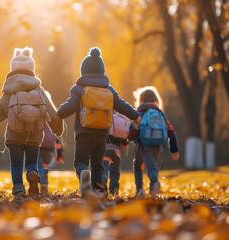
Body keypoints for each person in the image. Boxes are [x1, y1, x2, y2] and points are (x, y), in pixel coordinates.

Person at [57, 47, 141, 197]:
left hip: (83, 132)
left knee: (80, 161)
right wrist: (135, 116)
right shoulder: (108, 89)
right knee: (98, 163)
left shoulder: (79, 89)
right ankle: (98, 189)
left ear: (83, 71)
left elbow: (70, 106)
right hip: (102, 133)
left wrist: (58, 115)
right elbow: (121, 105)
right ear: (102, 71)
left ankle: (83, 173)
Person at [0, 47, 64, 196]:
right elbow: (52, 113)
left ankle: (18, 188)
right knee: (32, 161)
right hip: (35, 135)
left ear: (13, 68)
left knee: (16, 163)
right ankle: (32, 172)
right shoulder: (39, 90)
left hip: (14, 134)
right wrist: (58, 130)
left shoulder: (9, 91)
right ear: (32, 69)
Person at [129, 86, 179, 196]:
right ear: (156, 101)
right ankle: (153, 187)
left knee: (137, 166)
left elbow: (132, 129)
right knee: (152, 166)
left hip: (143, 146)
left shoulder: (139, 113)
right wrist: (174, 150)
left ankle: (142, 189)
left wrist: (127, 139)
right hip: (157, 145)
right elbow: (171, 131)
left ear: (140, 101)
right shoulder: (160, 113)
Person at [102, 110, 130, 196]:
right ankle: (114, 191)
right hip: (117, 151)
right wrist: (125, 144)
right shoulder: (121, 118)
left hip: (106, 149)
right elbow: (126, 135)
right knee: (115, 171)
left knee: (104, 166)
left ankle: (103, 181)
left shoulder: (105, 117)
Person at [38, 124, 64, 194]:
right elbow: (58, 137)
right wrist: (59, 153)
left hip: (38, 145)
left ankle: (41, 183)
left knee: (39, 167)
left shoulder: (37, 114)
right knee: (44, 167)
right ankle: (44, 183)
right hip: (49, 148)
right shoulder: (54, 117)